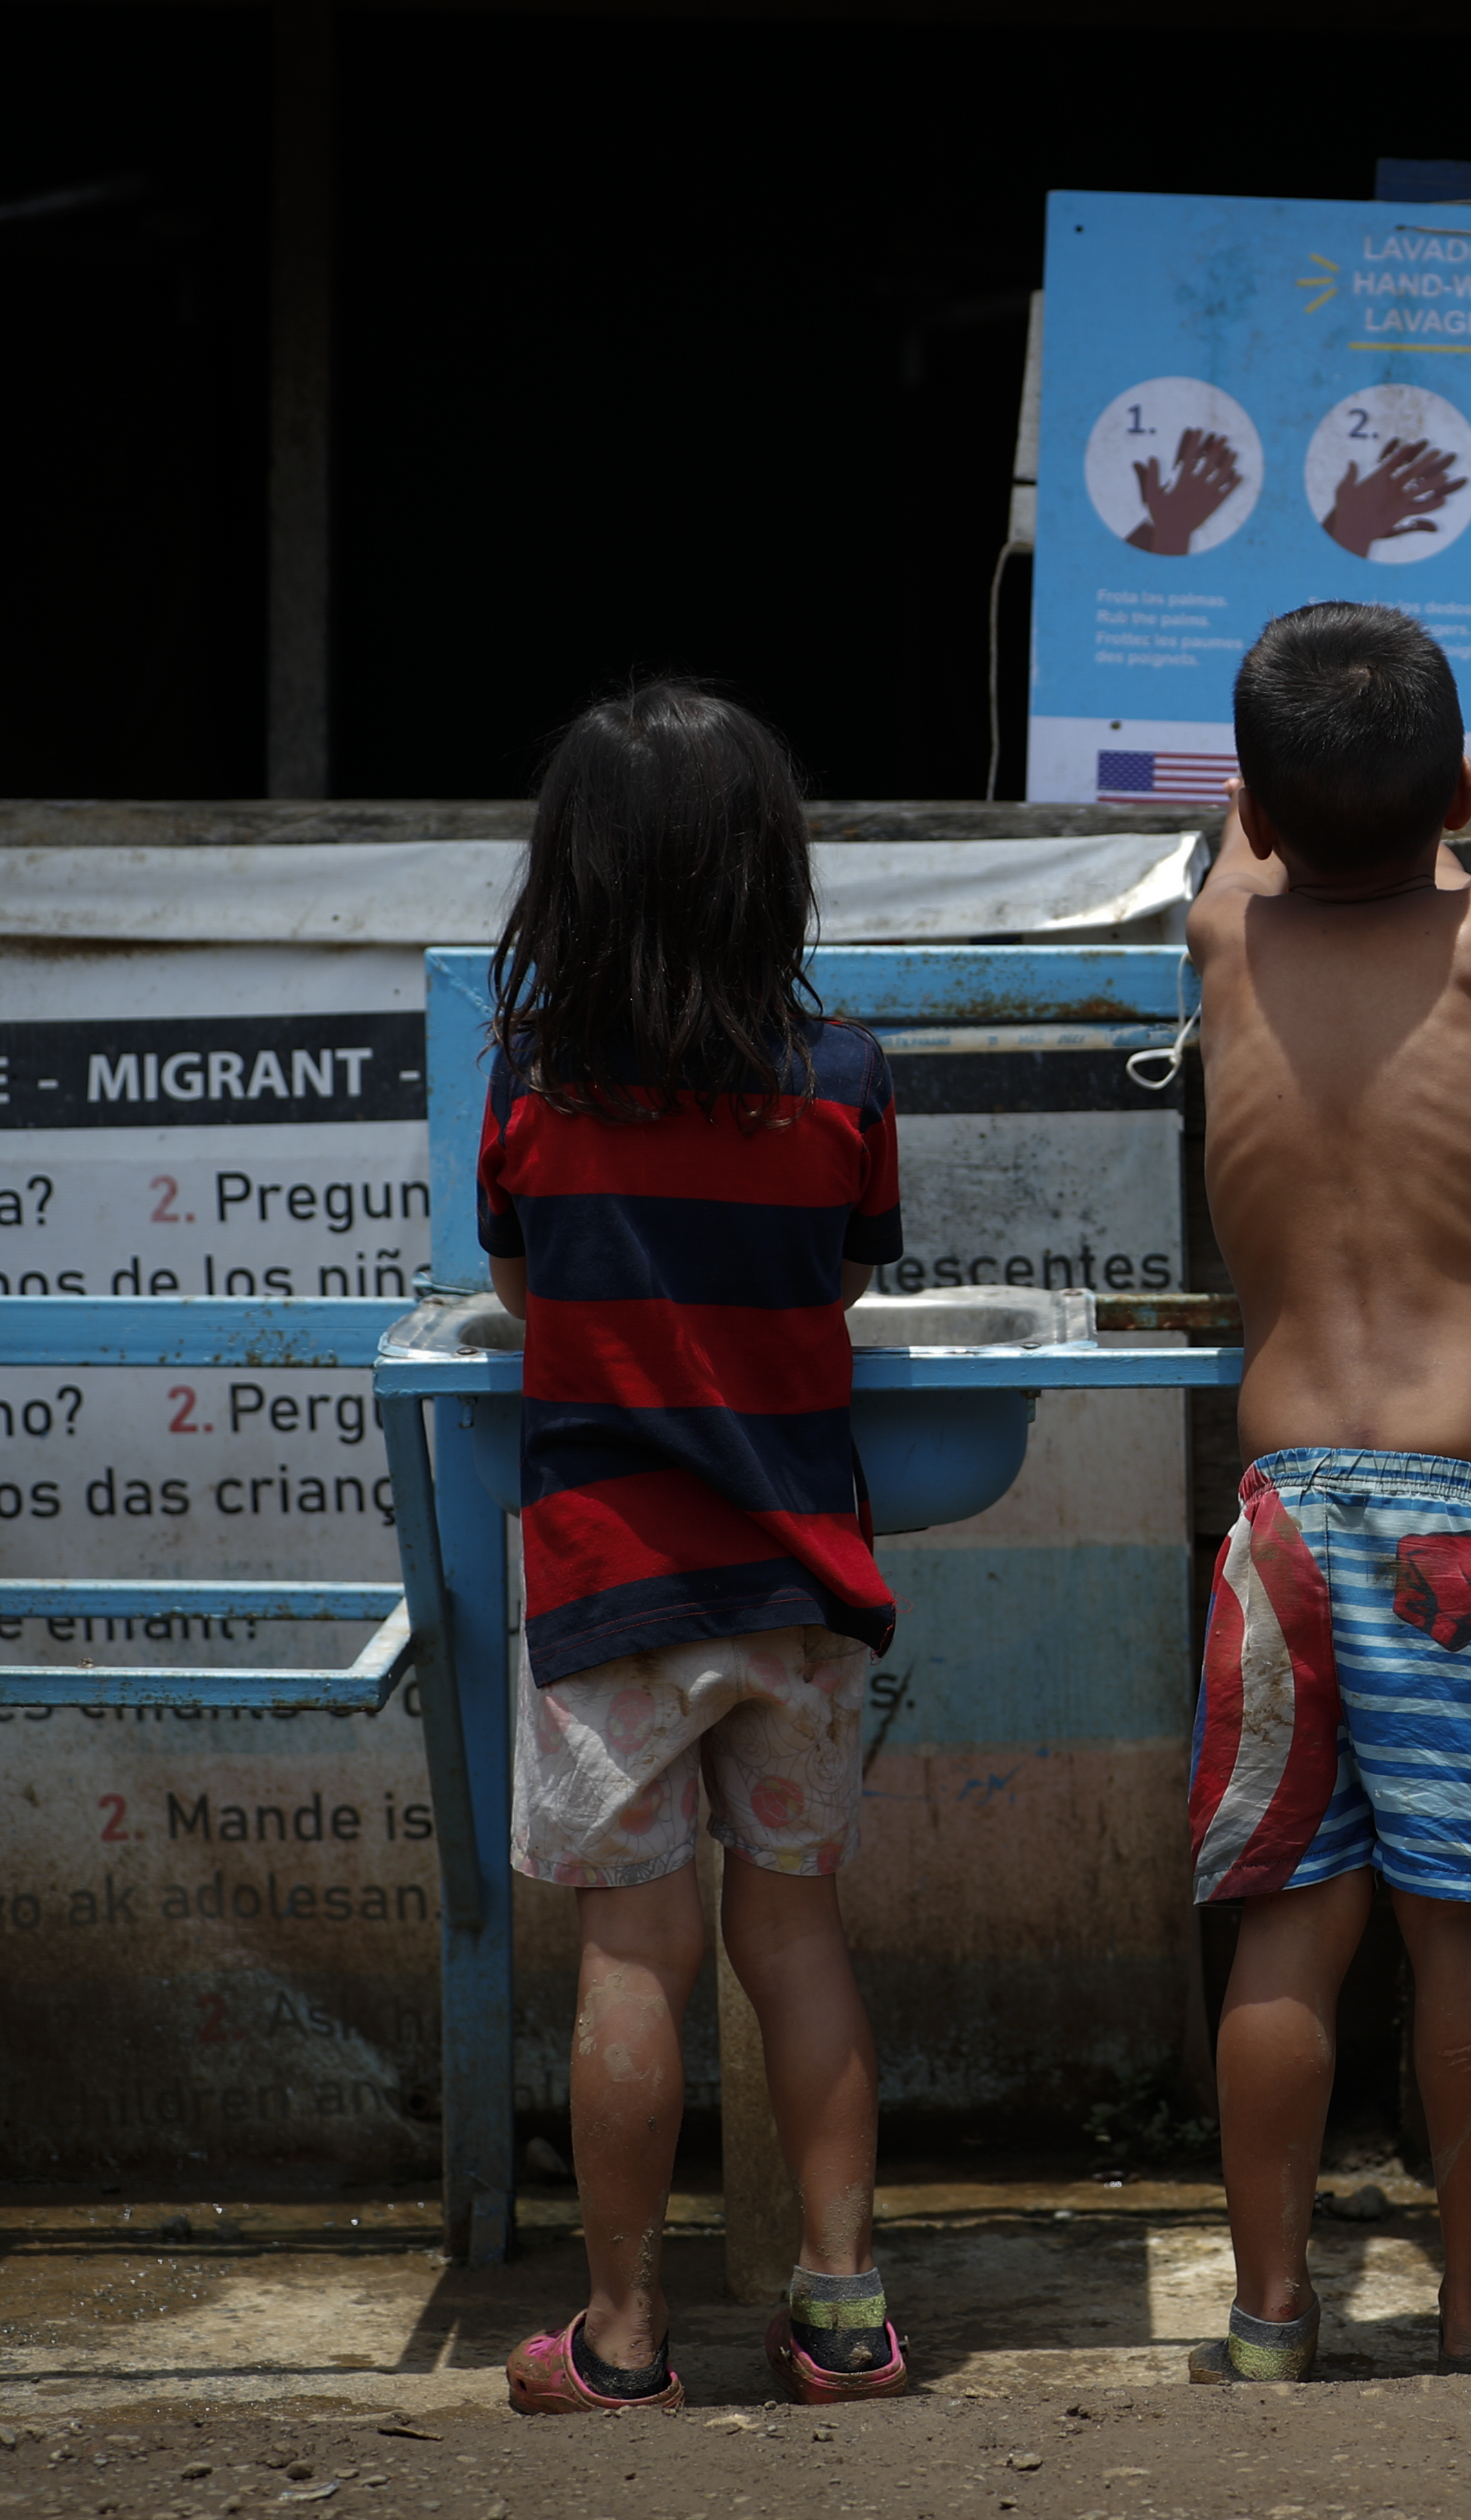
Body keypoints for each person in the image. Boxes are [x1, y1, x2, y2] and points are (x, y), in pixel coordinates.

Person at [1180, 600, 1471, 2381]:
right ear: (1463, 791)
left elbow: (1227, 854)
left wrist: (1251, 815)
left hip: (1282, 1508)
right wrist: (1446, 805)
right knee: (1464, 1931)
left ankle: (1272, 2312)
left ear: (1259, 821)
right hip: (1464, 1518)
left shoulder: (1220, 937)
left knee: (1289, 1925)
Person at [479, 680, 910, 2413]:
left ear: (568, 883)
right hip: (801, 1596)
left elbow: (522, 1295)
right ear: (771, 877)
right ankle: (844, 2319)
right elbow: (848, 1281)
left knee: (632, 1959)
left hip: (611, 1598)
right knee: (795, 1940)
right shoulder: (843, 1086)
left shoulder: (530, 1091)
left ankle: (626, 2340)